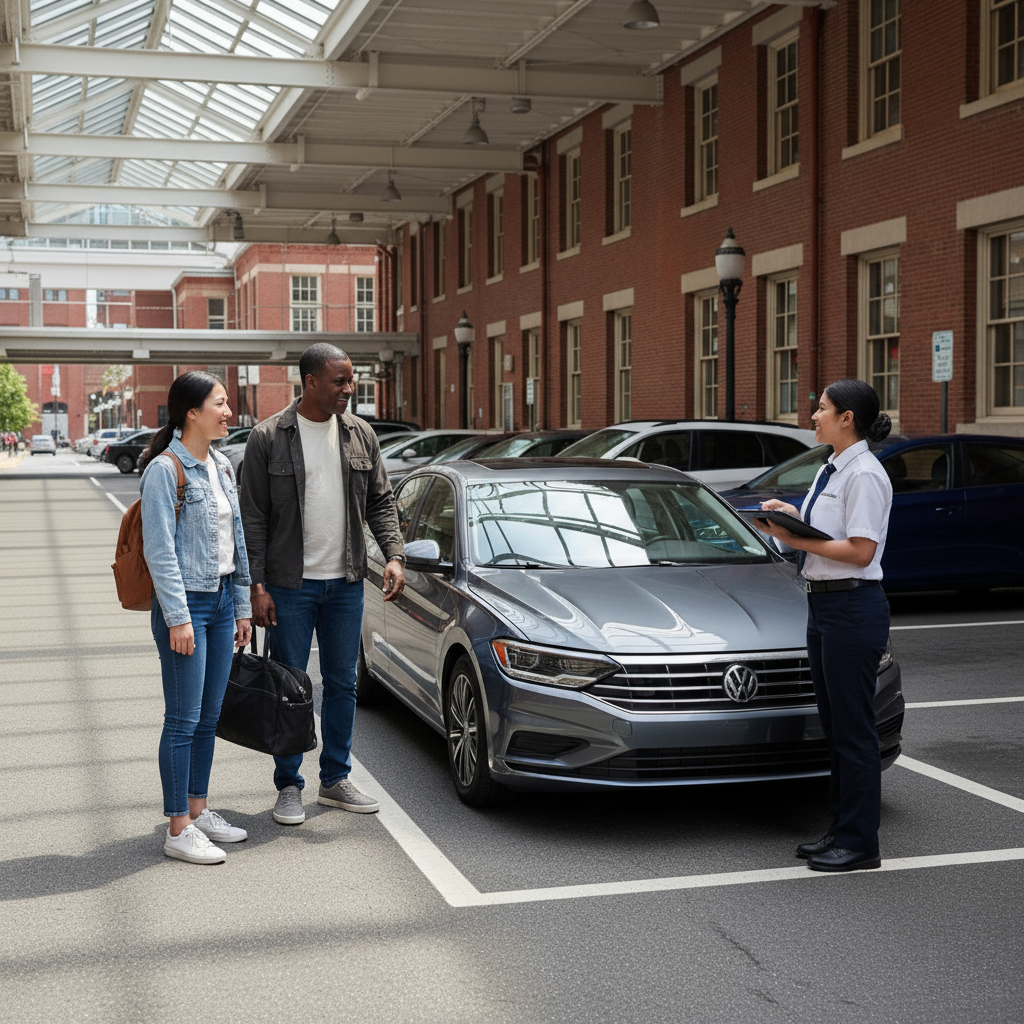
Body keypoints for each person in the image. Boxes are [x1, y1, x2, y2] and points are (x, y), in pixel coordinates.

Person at [239, 343, 406, 826]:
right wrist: (258, 586)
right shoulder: (269, 437)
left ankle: (334, 779)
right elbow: (253, 519)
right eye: (339, 380)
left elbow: (381, 501)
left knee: (342, 684)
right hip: (290, 586)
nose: (348, 389)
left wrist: (393, 555)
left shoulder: (361, 435)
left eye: (351, 380)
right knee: (289, 687)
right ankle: (288, 785)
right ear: (310, 382)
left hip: (347, 582)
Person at [755, 379, 893, 873]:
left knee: (854, 731)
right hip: (825, 608)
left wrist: (800, 540)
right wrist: (789, 518)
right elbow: (826, 534)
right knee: (837, 727)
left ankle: (860, 843)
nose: (813, 416)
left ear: (847, 418)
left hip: (853, 610)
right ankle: (841, 829)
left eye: (822, 408)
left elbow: (860, 552)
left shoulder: (865, 476)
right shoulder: (831, 469)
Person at [140, 372, 253, 865]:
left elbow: (239, 544)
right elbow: (160, 552)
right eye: (221, 404)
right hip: (186, 605)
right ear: (192, 412)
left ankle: (199, 808)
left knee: (209, 717)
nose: (229, 412)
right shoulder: (166, 470)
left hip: (224, 599)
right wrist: (178, 618)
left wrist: (243, 608)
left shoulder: (223, 466)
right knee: (183, 719)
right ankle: (177, 826)